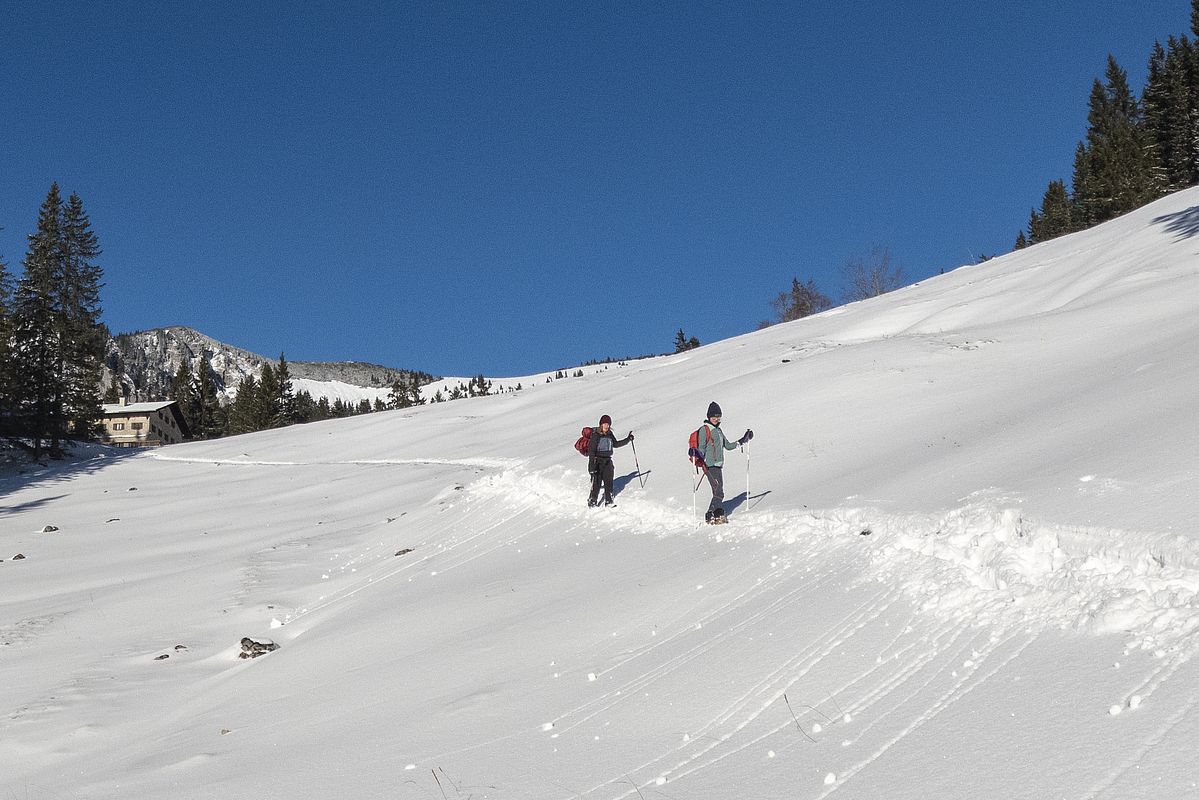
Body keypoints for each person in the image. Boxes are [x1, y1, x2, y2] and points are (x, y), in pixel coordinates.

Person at [691, 401, 752, 523]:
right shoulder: (705, 430)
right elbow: (701, 447)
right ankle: (711, 514)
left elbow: (728, 446)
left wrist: (742, 440)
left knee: (718, 490)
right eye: (714, 417)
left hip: (718, 465)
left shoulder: (718, 430)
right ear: (709, 417)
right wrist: (696, 453)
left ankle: (718, 513)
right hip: (709, 465)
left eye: (718, 417)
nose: (716, 419)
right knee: (718, 491)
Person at [588, 414, 633, 507]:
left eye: (608, 424)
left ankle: (608, 501)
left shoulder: (609, 434)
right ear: (601, 424)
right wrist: (591, 466)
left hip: (608, 461)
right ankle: (592, 500)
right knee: (596, 482)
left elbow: (615, 444)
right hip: (597, 461)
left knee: (609, 481)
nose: (606, 426)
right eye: (604, 424)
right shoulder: (596, 435)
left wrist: (628, 439)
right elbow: (591, 452)